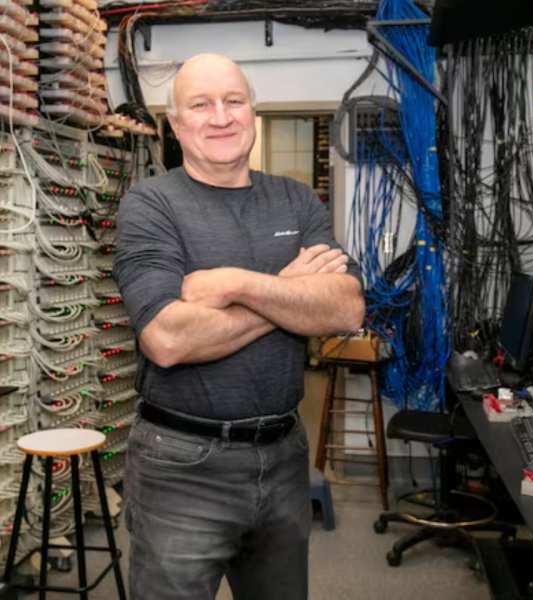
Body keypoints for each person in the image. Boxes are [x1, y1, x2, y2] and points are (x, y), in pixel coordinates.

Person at [114, 53, 365, 600]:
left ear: (253, 111)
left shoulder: (297, 201)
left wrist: (234, 283)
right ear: (176, 126)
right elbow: (168, 339)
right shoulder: (151, 205)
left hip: (283, 456)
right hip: (181, 463)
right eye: (200, 105)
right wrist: (287, 290)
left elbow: (345, 309)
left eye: (233, 100)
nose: (220, 116)